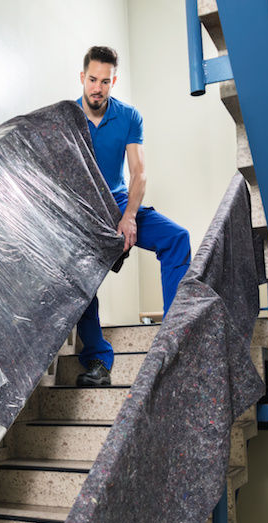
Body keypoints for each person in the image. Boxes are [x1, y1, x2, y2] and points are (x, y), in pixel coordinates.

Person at [75, 45, 192, 386]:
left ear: (114, 82)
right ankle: (97, 361)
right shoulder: (67, 118)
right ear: (83, 78)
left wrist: (128, 218)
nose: (98, 87)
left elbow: (139, 173)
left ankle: (173, 343)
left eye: (105, 81)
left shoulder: (128, 117)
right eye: (93, 79)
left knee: (176, 238)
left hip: (120, 203)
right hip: (84, 215)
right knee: (79, 284)